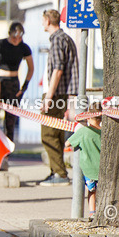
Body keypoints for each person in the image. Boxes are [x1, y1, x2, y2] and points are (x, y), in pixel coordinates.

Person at [39, 9, 79, 186]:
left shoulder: (57, 40)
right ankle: (56, 171)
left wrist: (48, 96)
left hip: (55, 93)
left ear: (48, 21)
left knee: (48, 134)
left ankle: (60, 173)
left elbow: (58, 69)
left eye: (43, 20)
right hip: (61, 93)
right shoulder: (65, 38)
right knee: (56, 133)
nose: (42, 23)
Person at [0, 21, 34, 145]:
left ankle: (8, 150)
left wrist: (24, 87)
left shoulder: (24, 48)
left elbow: (31, 68)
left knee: (10, 120)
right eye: (14, 37)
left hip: (14, 84)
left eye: (20, 38)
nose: (17, 40)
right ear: (9, 34)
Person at [66, 104, 102, 215]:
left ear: (88, 117)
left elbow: (67, 143)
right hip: (102, 169)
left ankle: (92, 212)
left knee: (91, 191)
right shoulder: (105, 132)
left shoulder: (83, 132)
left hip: (88, 170)